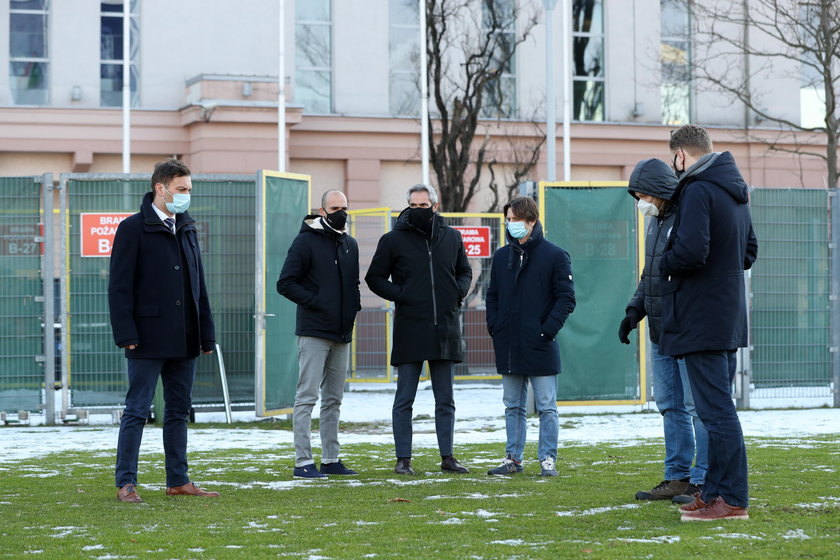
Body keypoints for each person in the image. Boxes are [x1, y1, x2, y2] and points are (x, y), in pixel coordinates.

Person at [660, 124, 757, 521]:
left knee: (716, 413)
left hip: (701, 318)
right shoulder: (735, 190)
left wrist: (665, 261)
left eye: (674, 159)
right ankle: (715, 492)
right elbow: (749, 251)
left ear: (682, 155)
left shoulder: (698, 189)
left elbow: (690, 253)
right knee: (719, 410)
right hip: (727, 315)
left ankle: (731, 500)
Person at [108, 159, 218, 503]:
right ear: (161, 188)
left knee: (178, 411)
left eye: (188, 190)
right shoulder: (132, 228)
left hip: (186, 338)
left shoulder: (187, 227)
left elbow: (198, 285)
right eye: (181, 190)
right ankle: (126, 483)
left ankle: (178, 480)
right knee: (137, 410)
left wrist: (206, 334)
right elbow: (119, 287)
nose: (186, 196)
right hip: (146, 338)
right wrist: (126, 333)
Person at [365, 184, 472, 475]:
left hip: (445, 330)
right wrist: (402, 294)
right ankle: (404, 459)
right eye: (413, 205)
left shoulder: (452, 237)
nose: (418, 210)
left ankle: (448, 458)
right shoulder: (392, 240)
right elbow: (374, 278)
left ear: (435, 206)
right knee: (404, 399)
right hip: (410, 329)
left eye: (424, 205)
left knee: (445, 400)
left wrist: (457, 292)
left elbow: (465, 271)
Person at [618, 158, 708, 503]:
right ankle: (677, 476)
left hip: (685, 327)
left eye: (643, 195)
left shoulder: (687, 217)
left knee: (695, 406)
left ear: (659, 192)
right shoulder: (654, 224)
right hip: (660, 330)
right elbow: (649, 274)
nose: (640, 202)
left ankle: (703, 478)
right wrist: (634, 309)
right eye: (636, 195)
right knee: (669, 405)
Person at [485, 196, 576, 477]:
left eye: (515, 219)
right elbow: (493, 297)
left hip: (540, 344)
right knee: (512, 405)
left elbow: (566, 299)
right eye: (508, 219)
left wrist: (545, 330)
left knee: (547, 407)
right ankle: (513, 458)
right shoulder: (501, 256)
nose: (510, 224)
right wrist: (496, 327)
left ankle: (547, 459)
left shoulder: (555, 255)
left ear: (531, 221)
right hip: (509, 343)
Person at [276, 190, 361, 479]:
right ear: (322, 211)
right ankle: (303, 462)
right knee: (306, 398)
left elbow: (353, 285)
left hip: (341, 333)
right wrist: (318, 301)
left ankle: (331, 459)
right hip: (314, 331)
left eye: (345, 207)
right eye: (335, 207)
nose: (341, 212)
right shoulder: (305, 242)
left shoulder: (350, 244)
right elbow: (285, 283)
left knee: (334, 400)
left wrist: (353, 308)